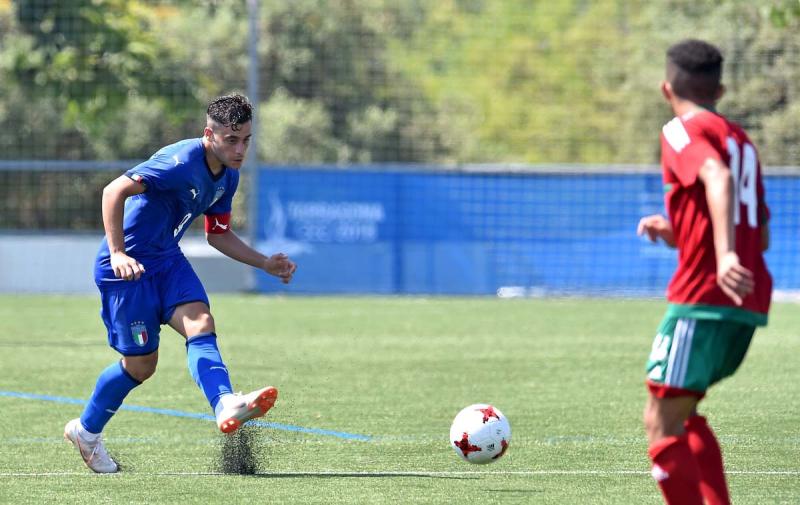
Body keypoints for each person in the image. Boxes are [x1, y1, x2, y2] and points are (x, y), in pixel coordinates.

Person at [64, 93, 297, 473]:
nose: (240, 150)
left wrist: (264, 263)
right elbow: (113, 191)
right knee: (141, 366)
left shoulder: (229, 176)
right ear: (209, 135)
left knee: (201, 323)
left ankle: (225, 403)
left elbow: (218, 234)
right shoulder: (178, 162)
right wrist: (119, 253)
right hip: (125, 268)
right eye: (231, 140)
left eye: (247, 140)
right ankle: (86, 433)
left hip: (168, 261)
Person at [637, 39, 772, 505]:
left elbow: (716, 176)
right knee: (685, 414)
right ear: (721, 89)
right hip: (746, 301)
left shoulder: (679, 130)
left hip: (704, 296)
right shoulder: (742, 141)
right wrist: (680, 233)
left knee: (660, 419)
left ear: (665, 88)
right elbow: (764, 234)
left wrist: (726, 257)